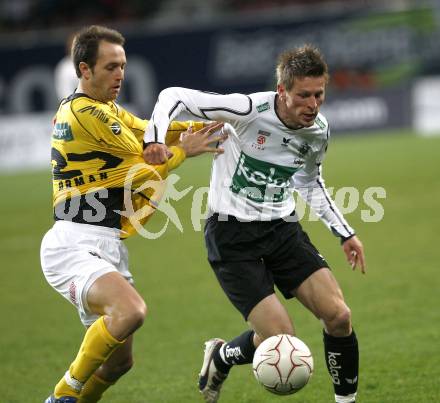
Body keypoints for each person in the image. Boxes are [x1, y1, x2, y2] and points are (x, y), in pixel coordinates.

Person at [143, 45, 366, 403]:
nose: (313, 104)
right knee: (282, 342)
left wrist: (345, 232)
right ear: (282, 91)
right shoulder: (248, 110)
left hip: (282, 230)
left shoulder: (317, 131)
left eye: (319, 94)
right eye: (303, 95)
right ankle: (222, 356)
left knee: (339, 316)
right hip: (232, 239)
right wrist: (154, 138)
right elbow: (174, 96)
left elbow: (309, 182)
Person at [41, 25, 225, 403]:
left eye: (122, 65)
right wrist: (184, 151)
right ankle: (62, 395)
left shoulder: (104, 109)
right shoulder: (85, 112)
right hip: (74, 241)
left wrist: (203, 126)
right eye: (110, 67)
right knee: (131, 311)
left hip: (104, 241)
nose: (120, 74)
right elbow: (143, 162)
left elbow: (148, 131)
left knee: (118, 364)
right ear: (84, 70)